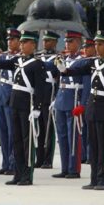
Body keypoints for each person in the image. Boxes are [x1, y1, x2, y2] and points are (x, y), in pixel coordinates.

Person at [56, 30, 104, 190]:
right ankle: (94, 178)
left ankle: (103, 180)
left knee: (103, 147)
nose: (97, 47)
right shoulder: (94, 62)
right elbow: (76, 70)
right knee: (92, 146)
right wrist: (64, 70)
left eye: (101, 44)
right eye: (96, 44)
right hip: (92, 107)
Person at [0, 30, 44, 186]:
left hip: (27, 104)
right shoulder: (16, 60)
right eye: (20, 42)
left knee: (26, 141)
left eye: (24, 42)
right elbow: (0, 63)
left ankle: (27, 175)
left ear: (33, 45)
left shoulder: (37, 64)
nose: (21, 45)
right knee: (16, 140)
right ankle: (17, 173)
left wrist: (37, 107)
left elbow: (41, 88)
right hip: (14, 103)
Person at [52, 30, 84, 179]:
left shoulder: (83, 60)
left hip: (73, 98)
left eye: (70, 41)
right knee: (62, 136)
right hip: (61, 98)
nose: (67, 44)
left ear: (78, 42)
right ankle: (65, 167)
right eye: (66, 41)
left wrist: (82, 103)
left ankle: (73, 168)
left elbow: (86, 84)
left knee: (73, 137)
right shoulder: (63, 58)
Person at [0, 28, 20, 175]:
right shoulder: (4, 56)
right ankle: (5, 163)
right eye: (8, 39)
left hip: (11, 96)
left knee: (12, 133)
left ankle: (13, 163)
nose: (9, 42)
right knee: (3, 133)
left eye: (12, 39)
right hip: (1, 96)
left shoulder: (20, 58)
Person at [35, 30, 59, 169]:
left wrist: (56, 96)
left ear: (55, 43)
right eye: (44, 40)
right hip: (39, 94)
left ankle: (48, 159)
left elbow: (59, 78)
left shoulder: (57, 58)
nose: (45, 43)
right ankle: (39, 157)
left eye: (49, 40)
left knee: (48, 128)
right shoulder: (38, 56)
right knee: (39, 128)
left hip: (49, 95)